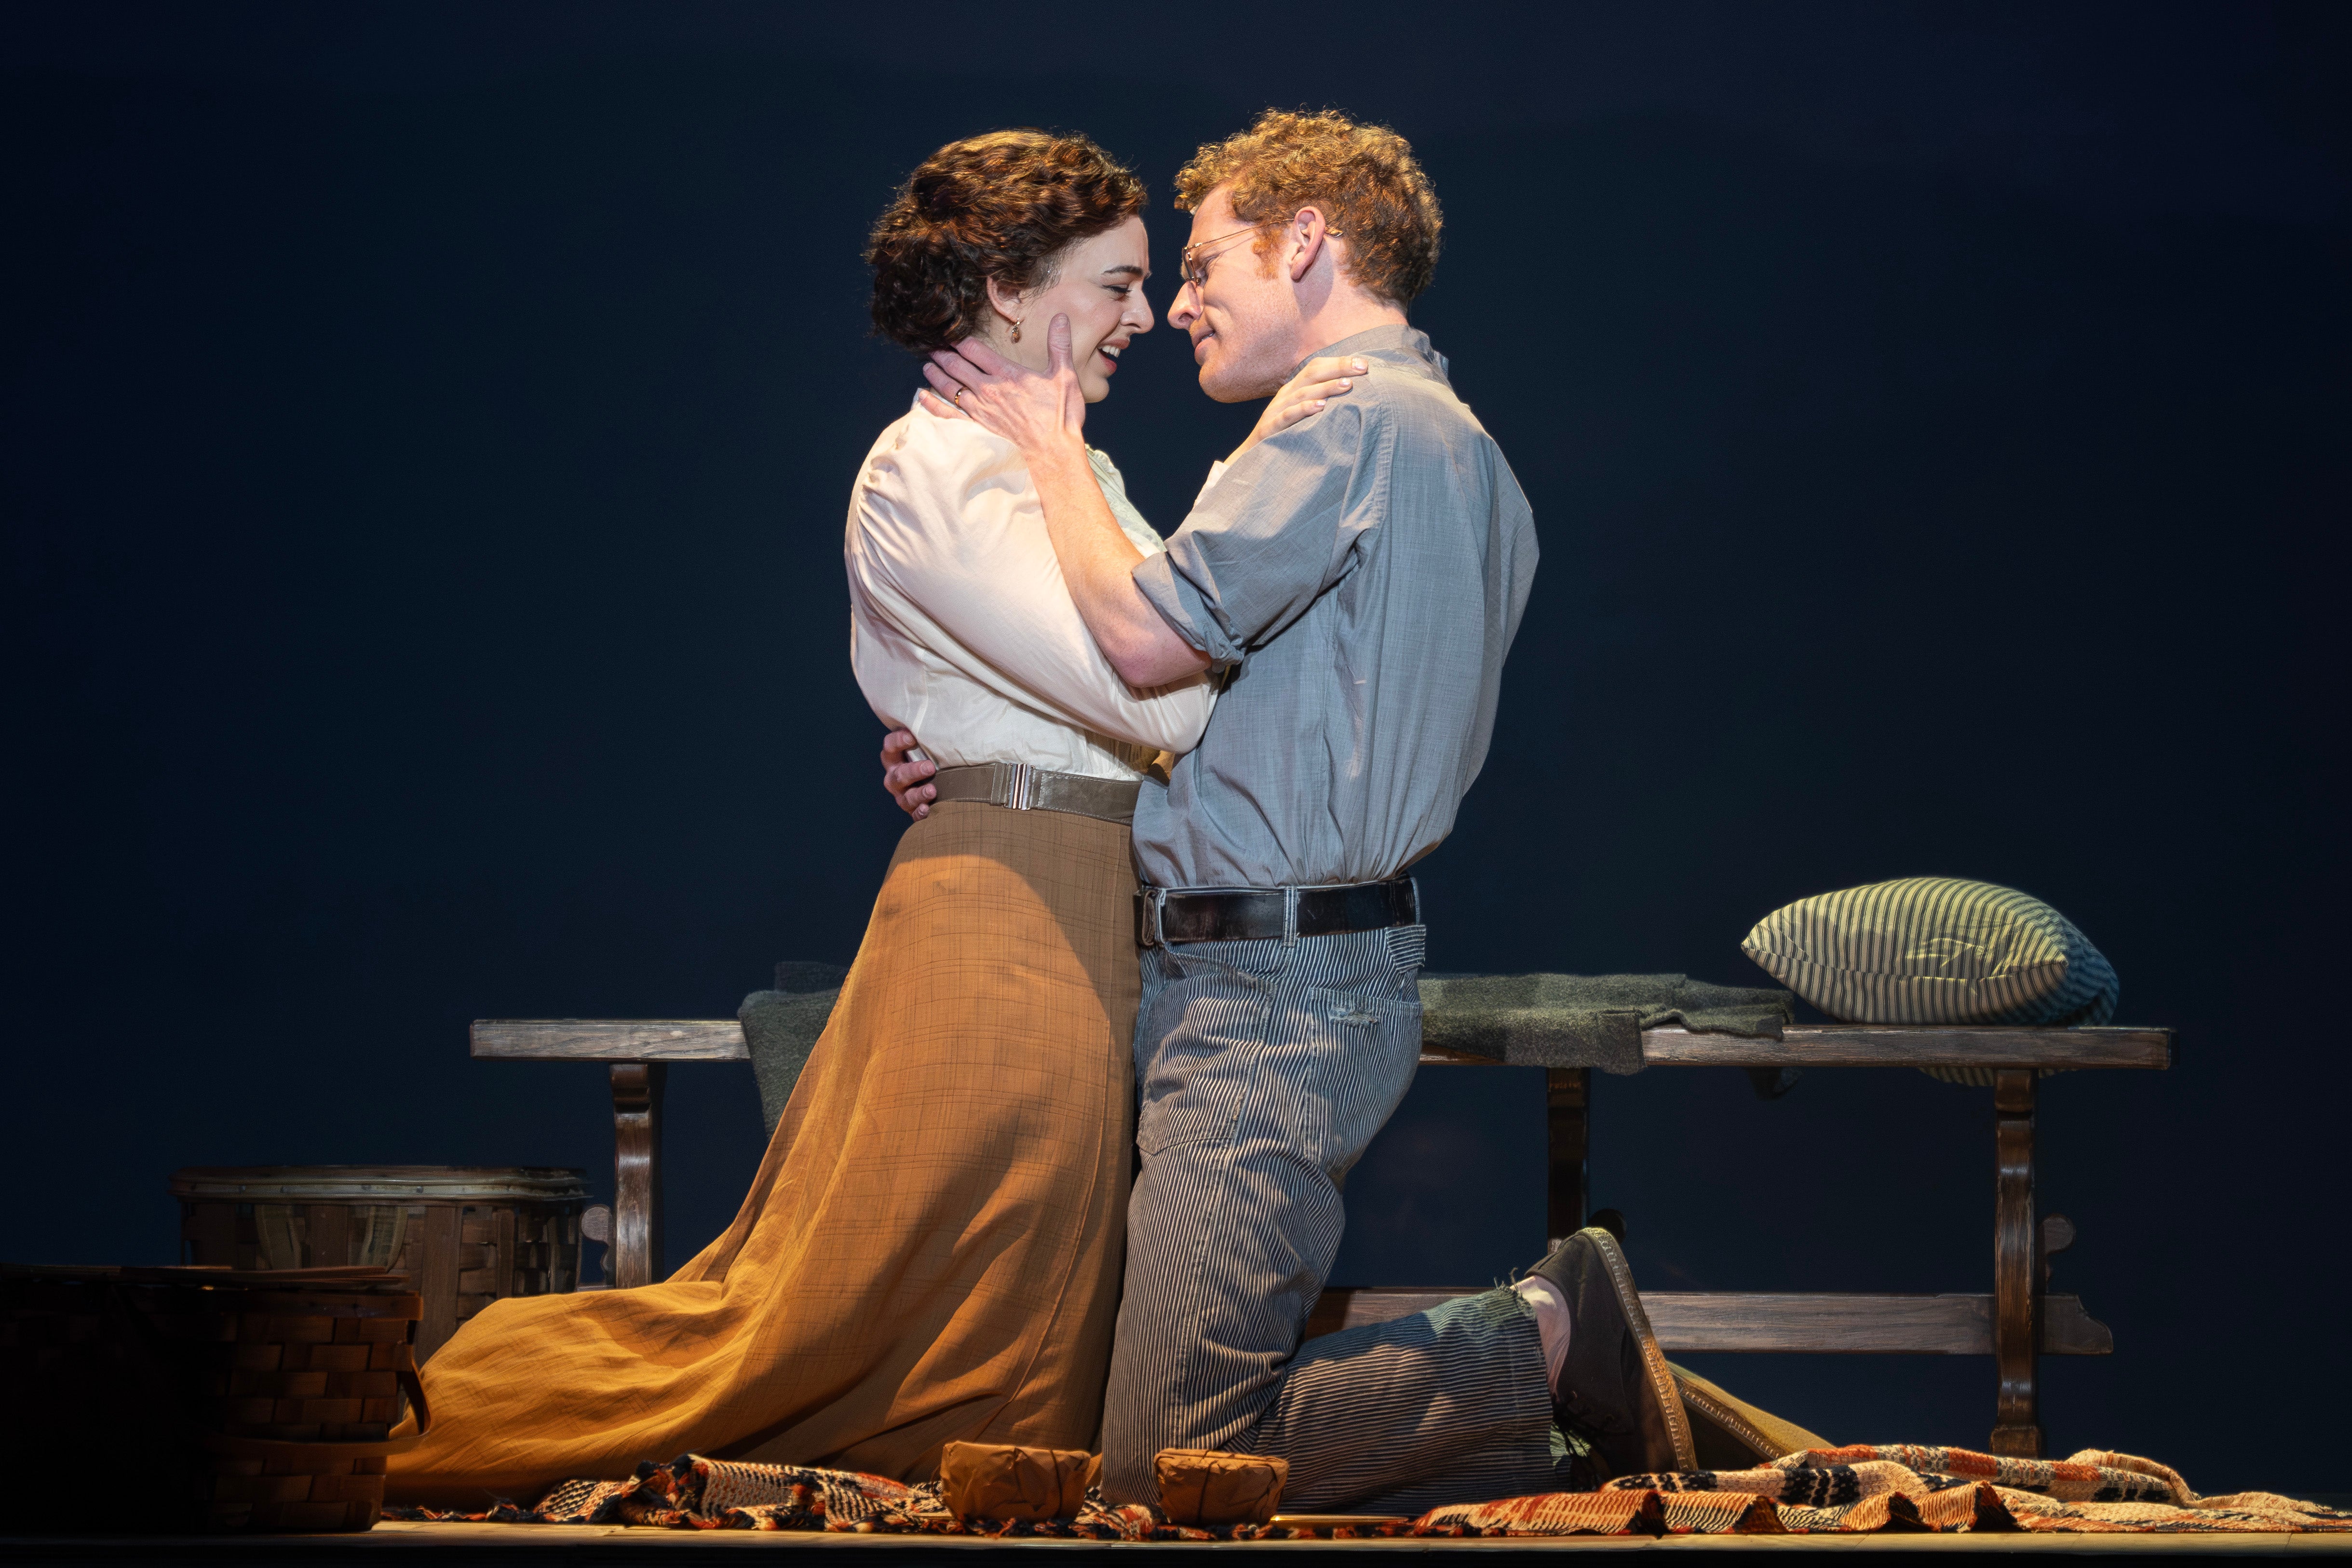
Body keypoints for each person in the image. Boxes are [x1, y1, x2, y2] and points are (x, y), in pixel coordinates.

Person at [385, 128, 1358, 1508]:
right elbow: (1172, 704)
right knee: (825, 1318)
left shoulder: (1060, 465)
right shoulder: (934, 473)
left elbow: (1156, 673)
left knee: (1022, 1323)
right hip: (1006, 917)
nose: (1146, 316)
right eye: (1118, 283)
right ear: (1014, 290)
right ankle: (433, 1413)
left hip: (1085, 903)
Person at [910, 109, 1694, 1515]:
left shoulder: (1345, 419)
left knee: (1163, 1461)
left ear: (1311, 243)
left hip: (1269, 987)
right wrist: (976, 748)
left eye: (1209, 261)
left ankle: (1546, 1331)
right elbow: (1242, 721)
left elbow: (1153, 645)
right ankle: (1537, 1372)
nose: (1181, 301)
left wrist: (1048, 444)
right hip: (1292, 972)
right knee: (1150, 1413)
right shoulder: (1470, 453)